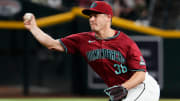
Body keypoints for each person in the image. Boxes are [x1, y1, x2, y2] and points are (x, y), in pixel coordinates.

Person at [23, 1, 160, 101]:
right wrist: (33, 28)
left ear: (108, 18)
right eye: (90, 16)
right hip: (123, 90)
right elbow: (52, 44)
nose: (92, 19)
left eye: (96, 15)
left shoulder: (125, 42)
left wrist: (124, 87)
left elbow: (140, 75)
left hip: (141, 87)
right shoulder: (83, 40)